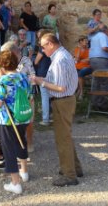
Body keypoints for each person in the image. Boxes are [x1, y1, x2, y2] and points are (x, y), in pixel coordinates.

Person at [33, 33, 83, 187]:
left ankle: (69, 175)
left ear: (50, 44)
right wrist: (42, 80)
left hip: (63, 101)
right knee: (65, 135)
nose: (42, 50)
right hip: (65, 100)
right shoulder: (62, 55)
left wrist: (41, 83)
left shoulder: (60, 59)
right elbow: (58, 81)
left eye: (43, 46)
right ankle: (75, 168)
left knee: (63, 138)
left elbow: (60, 87)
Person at [0, 50, 30, 194]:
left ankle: (15, 183)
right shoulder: (24, 77)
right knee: (21, 142)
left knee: (8, 150)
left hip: (8, 120)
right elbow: (30, 96)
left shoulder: (4, 80)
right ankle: (24, 172)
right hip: (23, 116)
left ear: (1, 65)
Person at [1, 41, 36, 152]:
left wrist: (21, 81)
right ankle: (17, 146)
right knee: (12, 123)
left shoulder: (26, 60)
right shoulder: (3, 62)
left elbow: (32, 76)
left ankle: (29, 142)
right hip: (10, 98)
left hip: (25, 96)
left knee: (29, 120)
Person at [88, 25, 108, 110]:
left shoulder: (94, 36)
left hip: (93, 59)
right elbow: (104, 48)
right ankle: (103, 105)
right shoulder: (103, 35)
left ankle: (95, 103)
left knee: (97, 81)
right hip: (101, 59)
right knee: (105, 81)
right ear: (106, 30)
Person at [34, 30, 52, 126]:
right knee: (51, 96)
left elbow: (36, 61)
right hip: (51, 73)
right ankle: (51, 116)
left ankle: (45, 119)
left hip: (42, 73)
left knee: (44, 97)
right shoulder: (52, 46)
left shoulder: (43, 48)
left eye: (39, 37)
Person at [72, 36, 92, 100]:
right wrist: (80, 49)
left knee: (80, 74)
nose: (87, 42)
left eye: (87, 41)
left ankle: (81, 92)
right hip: (77, 66)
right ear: (81, 42)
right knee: (74, 73)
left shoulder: (89, 50)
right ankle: (78, 90)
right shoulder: (77, 49)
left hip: (87, 67)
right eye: (85, 41)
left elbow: (89, 60)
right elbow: (77, 59)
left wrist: (81, 60)